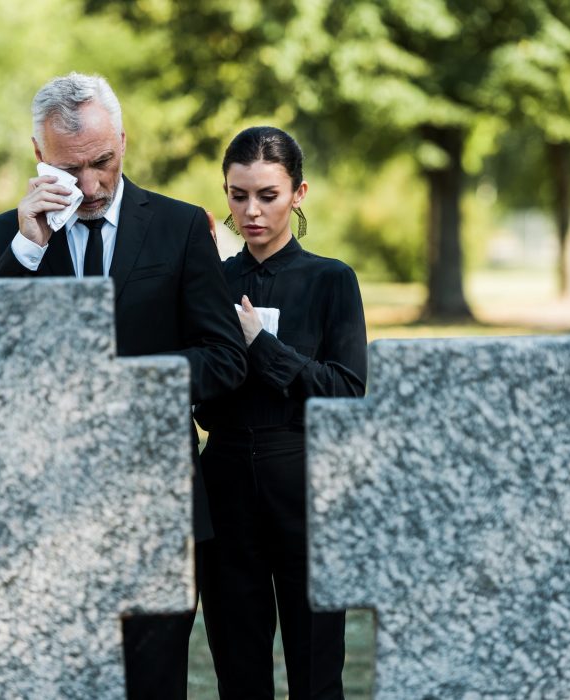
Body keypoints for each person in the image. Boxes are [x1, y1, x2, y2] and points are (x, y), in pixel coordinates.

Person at [0, 72, 248, 699]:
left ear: (123, 140)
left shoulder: (181, 228)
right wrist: (28, 248)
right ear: (40, 156)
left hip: (155, 499)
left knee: (153, 685)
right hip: (40, 502)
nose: (92, 186)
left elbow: (224, 358)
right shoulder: (2, 240)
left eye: (104, 162)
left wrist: (131, 386)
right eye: (73, 169)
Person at [196, 126, 368, 699]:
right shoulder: (211, 283)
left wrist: (262, 349)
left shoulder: (331, 280)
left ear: (299, 194)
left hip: (308, 490)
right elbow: (198, 395)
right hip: (224, 491)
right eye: (237, 194)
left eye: (267, 195)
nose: (250, 211)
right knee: (238, 675)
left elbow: (346, 390)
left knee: (317, 674)